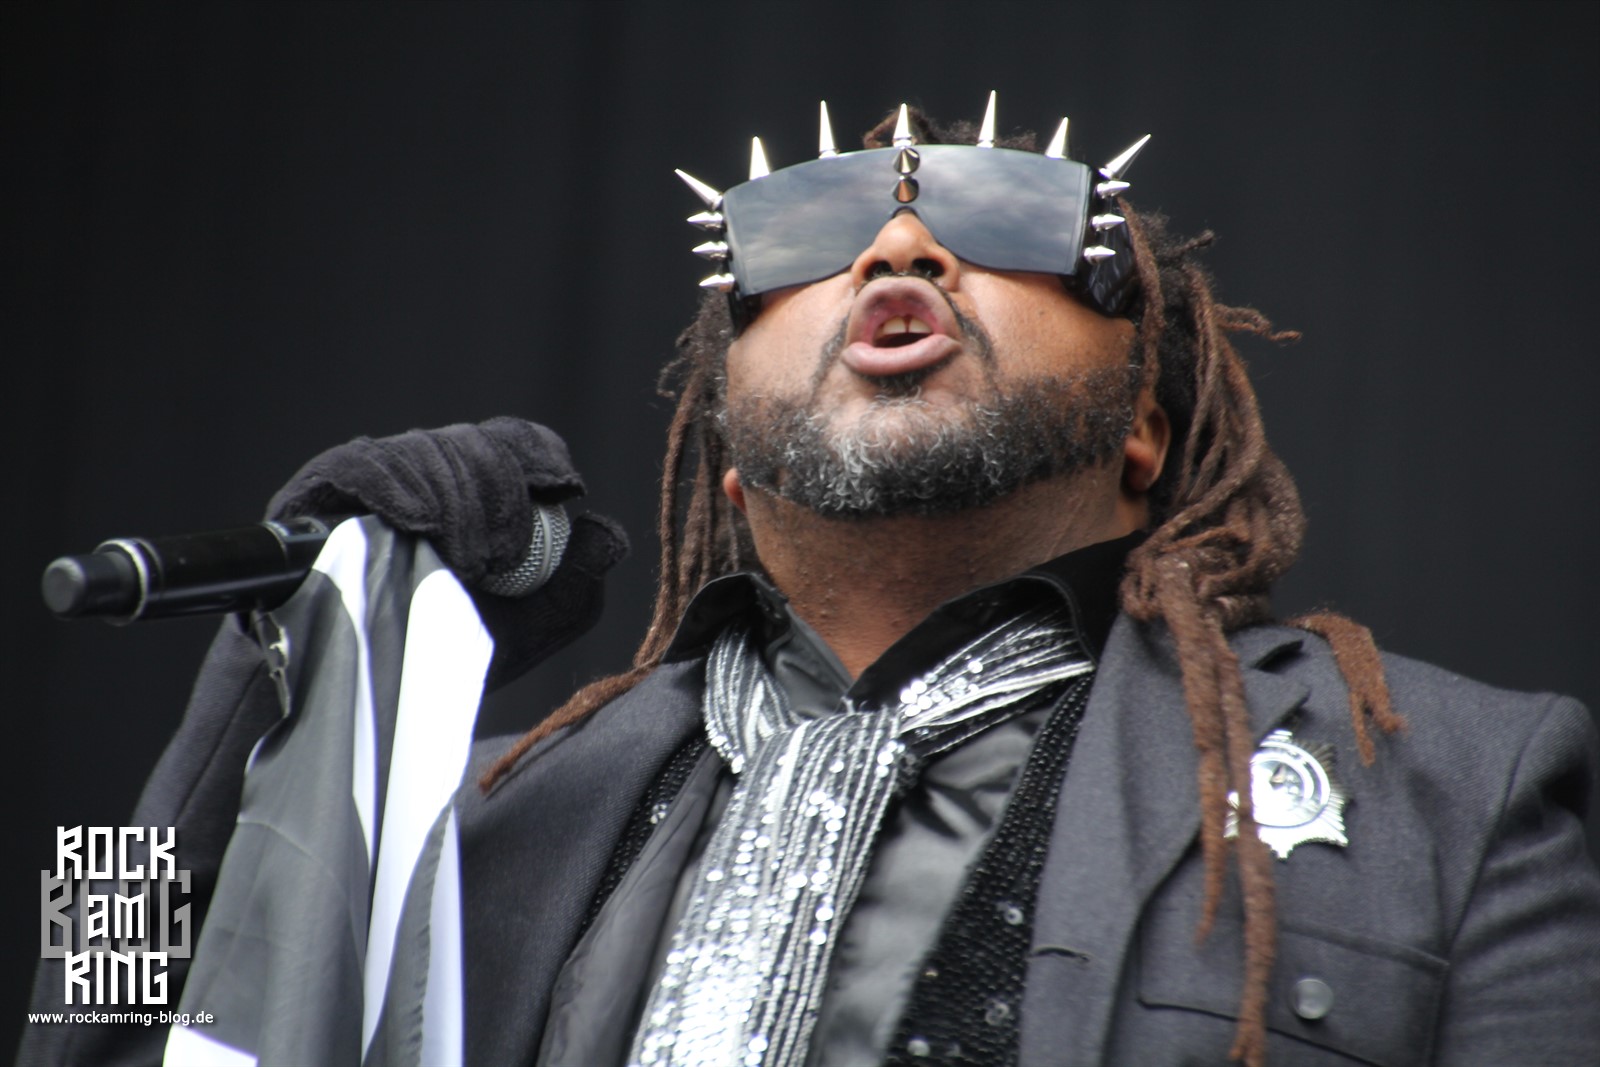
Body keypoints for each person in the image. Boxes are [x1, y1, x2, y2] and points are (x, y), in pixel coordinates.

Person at [22, 99, 1600, 1067]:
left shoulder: (1453, 791)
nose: (897, 251)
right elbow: (79, 1004)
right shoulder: (471, 812)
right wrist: (284, 678)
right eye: (801, 236)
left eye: (1005, 219)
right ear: (729, 446)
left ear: (1144, 428)